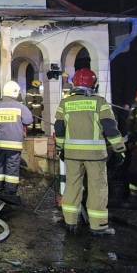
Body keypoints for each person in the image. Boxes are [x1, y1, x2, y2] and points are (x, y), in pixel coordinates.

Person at [54, 69, 126, 236]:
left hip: (72, 154)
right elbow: (110, 127)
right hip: (95, 156)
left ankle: (70, 222)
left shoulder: (65, 103)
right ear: (94, 85)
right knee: (97, 188)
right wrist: (119, 149)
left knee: (72, 186)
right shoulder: (99, 102)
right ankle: (98, 226)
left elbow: (59, 129)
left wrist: (60, 148)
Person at [0, 81, 33, 198]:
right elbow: (28, 120)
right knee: (12, 166)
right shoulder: (20, 107)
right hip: (14, 143)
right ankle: (10, 190)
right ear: (15, 93)